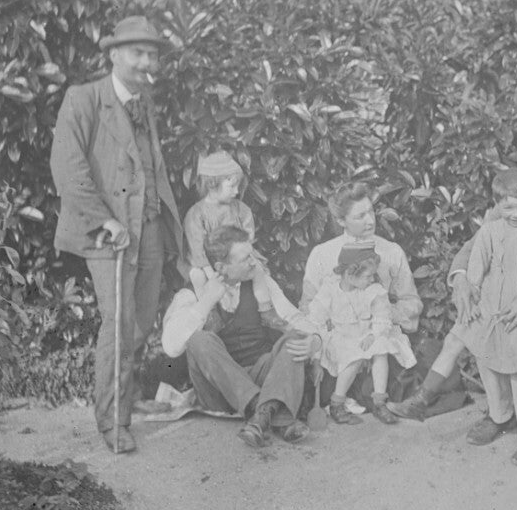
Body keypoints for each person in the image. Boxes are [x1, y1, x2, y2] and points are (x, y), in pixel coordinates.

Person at [390, 127, 517, 442]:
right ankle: (500, 414)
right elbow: (477, 245)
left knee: (516, 334)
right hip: (506, 296)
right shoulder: (513, 197)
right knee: (477, 322)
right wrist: (461, 279)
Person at [49, 16, 187, 454]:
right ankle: (112, 422)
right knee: (119, 323)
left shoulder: (144, 104)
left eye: (152, 55)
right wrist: (103, 219)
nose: (147, 62)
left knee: (142, 321)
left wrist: (168, 227)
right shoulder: (84, 99)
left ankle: (124, 401)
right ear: (113, 55)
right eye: (138, 53)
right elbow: (68, 168)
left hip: (147, 229)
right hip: (107, 233)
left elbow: (153, 169)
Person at [160, 226, 323, 448]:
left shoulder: (261, 282)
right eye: (246, 258)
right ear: (220, 267)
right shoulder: (191, 293)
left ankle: (260, 416)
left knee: (294, 337)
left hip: (261, 375)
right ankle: (271, 413)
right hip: (218, 393)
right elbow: (171, 346)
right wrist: (206, 301)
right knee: (198, 340)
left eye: (252, 255)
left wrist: (315, 340)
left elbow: (293, 317)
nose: (254, 263)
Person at [436, 168, 517, 465]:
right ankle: (500, 413)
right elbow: (477, 267)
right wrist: (473, 292)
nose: (516, 213)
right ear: (497, 205)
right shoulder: (491, 230)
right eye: (508, 207)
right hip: (495, 306)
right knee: (480, 336)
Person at [301, 181, 424, 405]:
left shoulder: (391, 251)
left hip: (379, 340)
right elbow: (308, 309)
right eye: (360, 216)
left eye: (371, 212)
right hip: (338, 344)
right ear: (341, 221)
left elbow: (412, 303)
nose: (370, 220)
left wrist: (378, 321)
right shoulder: (322, 255)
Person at [301, 242, 416, 426]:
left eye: (373, 275)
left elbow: (382, 318)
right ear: (349, 275)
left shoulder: (373, 291)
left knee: (381, 349)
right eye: (368, 276)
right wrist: (316, 357)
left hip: (367, 335)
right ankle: (337, 403)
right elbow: (315, 321)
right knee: (353, 356)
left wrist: (373, 334)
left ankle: (379, 402)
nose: (372, 279)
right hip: (342, 338)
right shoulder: (330, 290)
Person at [182, 150, 259, 283]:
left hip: (236, 262)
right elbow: (197, 252)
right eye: (232, 186)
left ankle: (263, 301)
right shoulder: (196, 214)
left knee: (260, 274)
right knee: (197, 276)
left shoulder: (241, 210)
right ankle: (210, 301)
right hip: (207, 266)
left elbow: (247, 243)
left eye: (238, 186)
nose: (236, 191)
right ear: (212, 184)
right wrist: (213, 278)